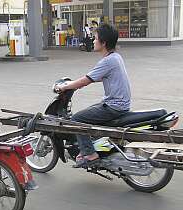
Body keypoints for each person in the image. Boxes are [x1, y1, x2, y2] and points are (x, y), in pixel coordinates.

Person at [55, 24, 131, 168]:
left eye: (95, 39)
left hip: (114, 106)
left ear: (104, 43)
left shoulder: (107, 61)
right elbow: (95, 77)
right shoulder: (116, 57)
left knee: (76, 119)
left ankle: (89, 154)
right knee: (90, 111)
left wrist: (64, 86)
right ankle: (92, 146)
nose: (93, 41)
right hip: (119, 104)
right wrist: (76, 82)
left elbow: (85, 80)